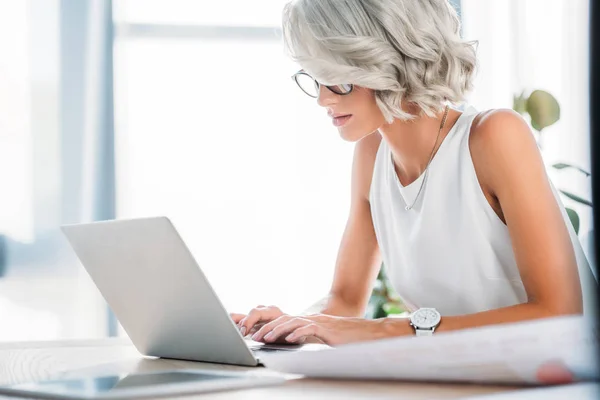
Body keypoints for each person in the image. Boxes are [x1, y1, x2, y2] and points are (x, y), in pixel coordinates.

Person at [231, 0, 586, 346]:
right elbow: (344, 302)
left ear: (393, 64)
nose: (323, 99)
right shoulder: (372, 153)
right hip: (464, 378)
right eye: (317, 77)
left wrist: (385, 331)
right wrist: (293, 325)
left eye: (340, 80)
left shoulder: (494, 136)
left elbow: (559, 313)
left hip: (558, 378)